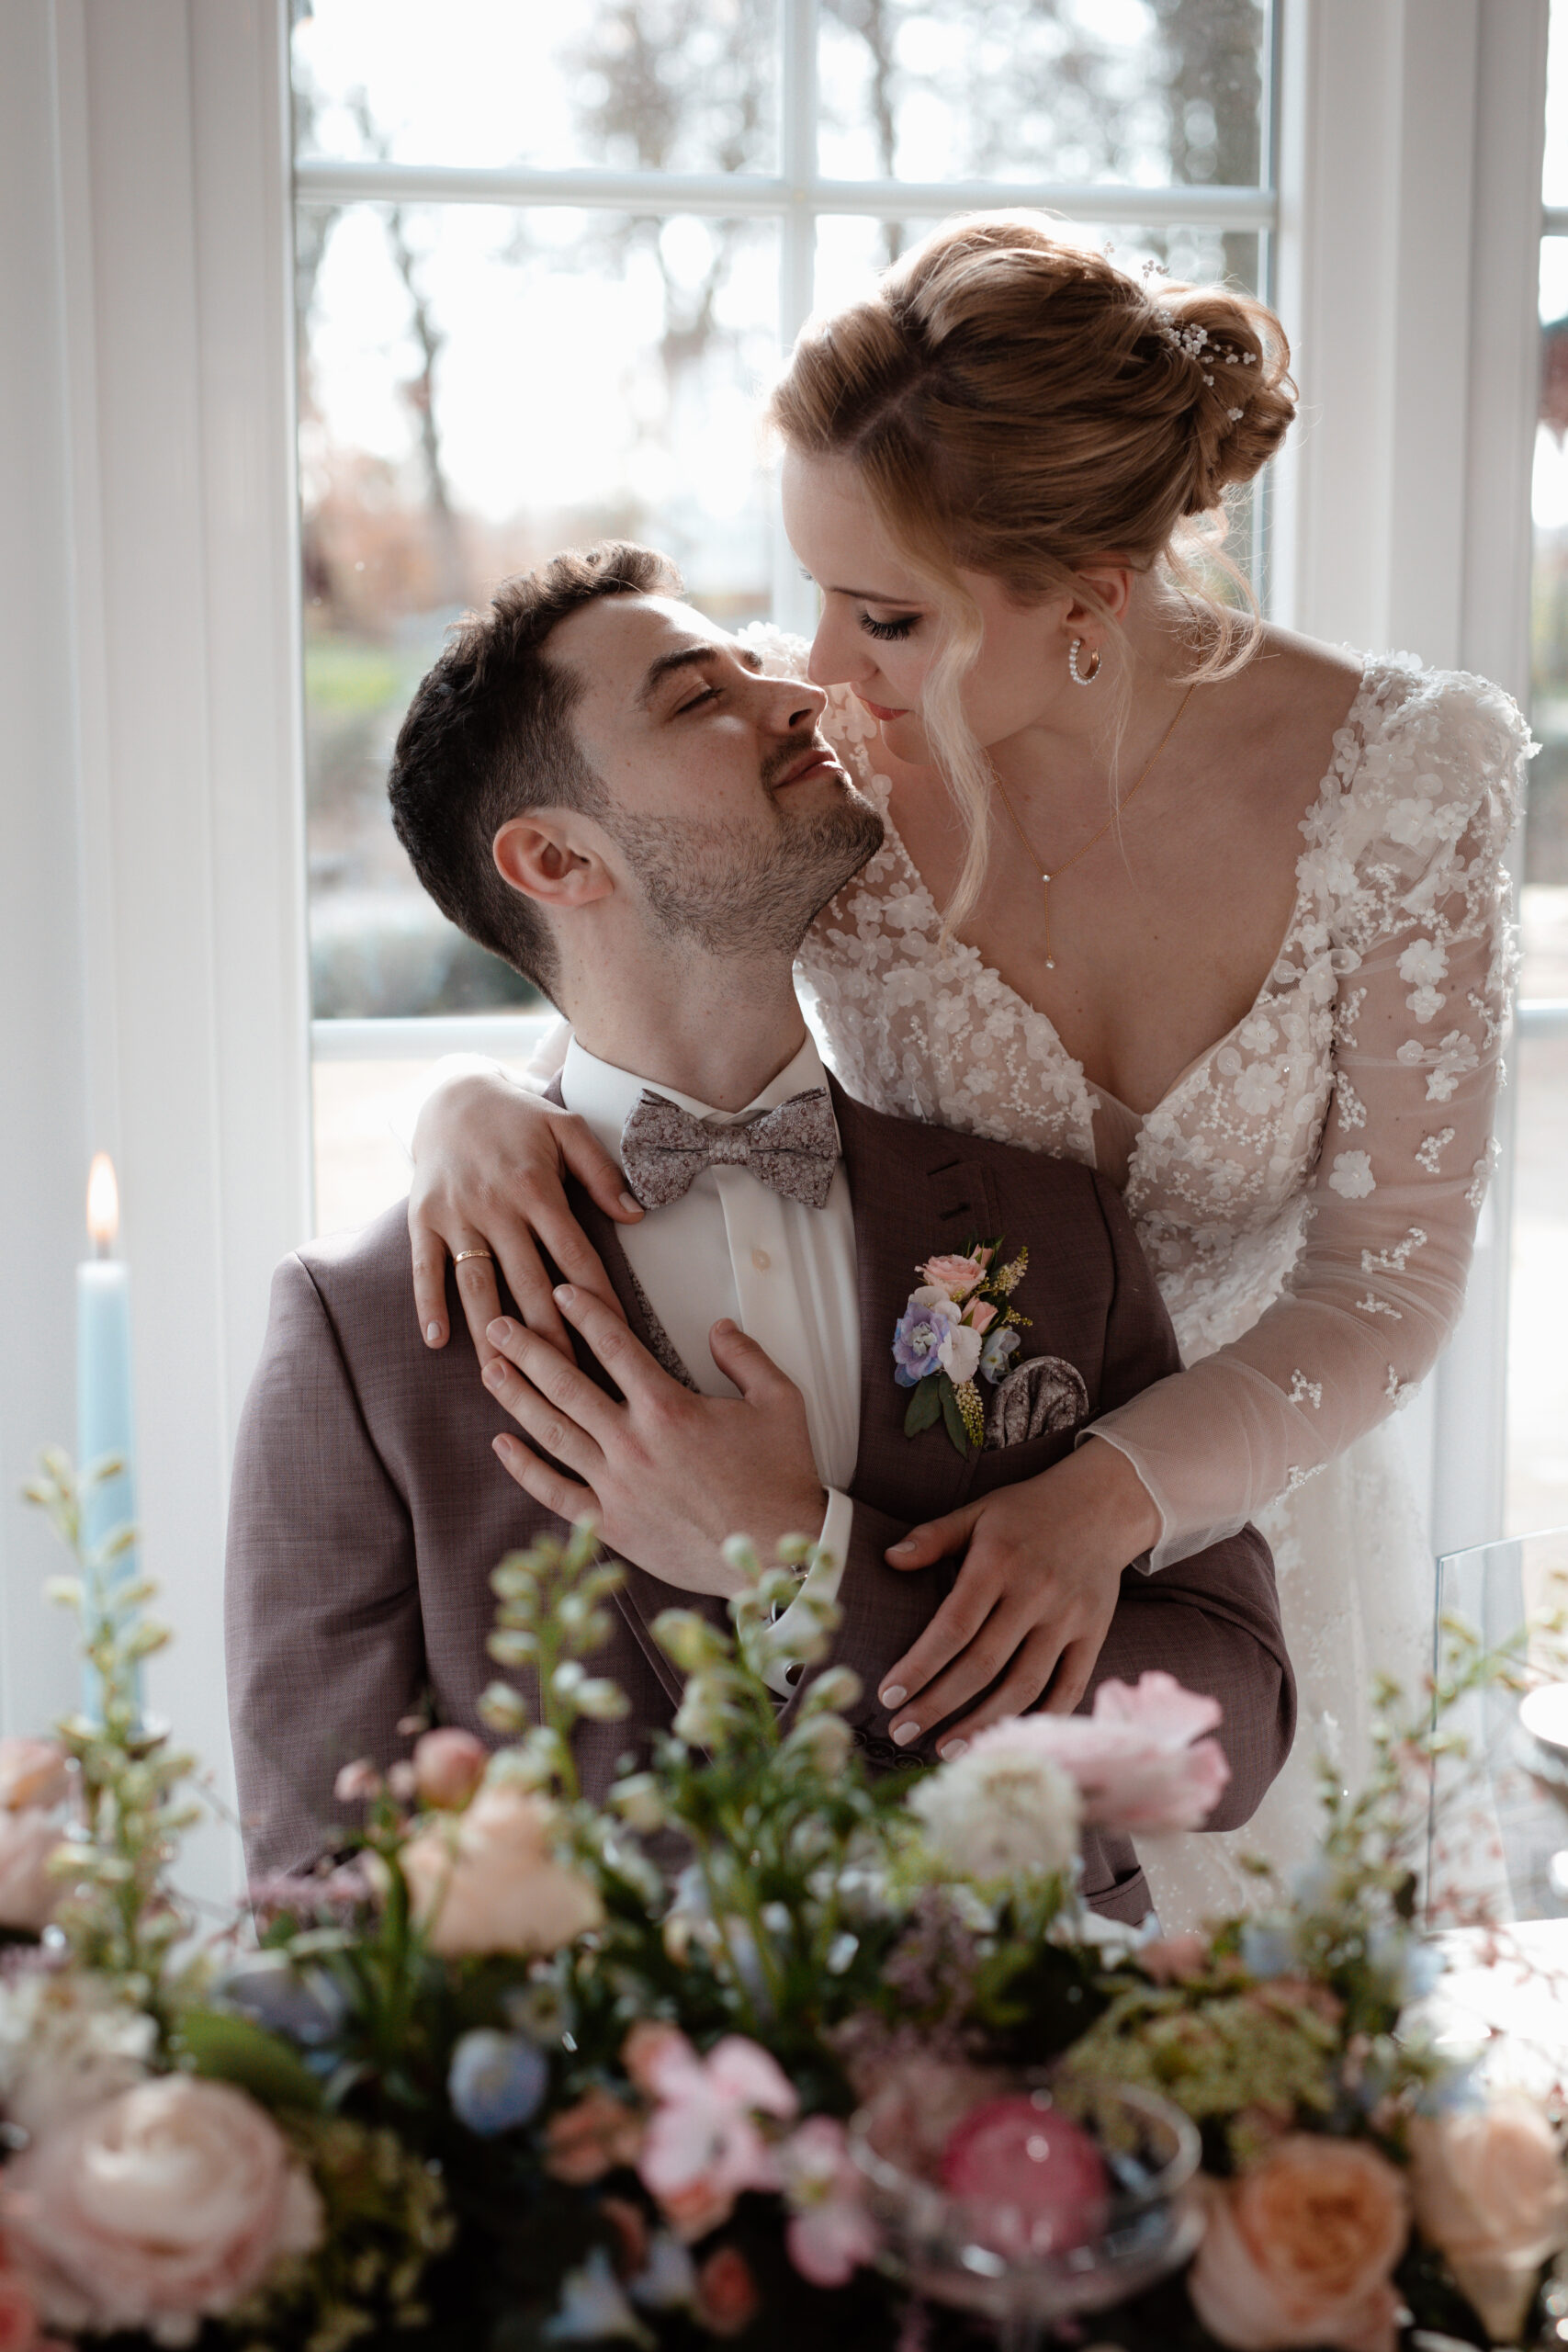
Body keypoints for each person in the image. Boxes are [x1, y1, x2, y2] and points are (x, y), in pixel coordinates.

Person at [399, 218, 1529, 1930]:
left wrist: (1111, 1500)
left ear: (1088, 595)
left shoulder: (1406, 781)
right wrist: (474, 1104)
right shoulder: (849, 784)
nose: (820, 673)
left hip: (1238, 1535)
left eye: (887, 614)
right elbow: (658, 969)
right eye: (813, 596)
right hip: (900, 1518)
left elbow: (1391, 1276)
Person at [224, 544, 1293, 1912]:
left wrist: (810, 1561)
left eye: (752, 662)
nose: (795, 695)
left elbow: (1239, 1724)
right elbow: (321, 1885)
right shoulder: (369, 1334)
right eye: (695, 697)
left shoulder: (1051, 1226)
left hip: (1032, 2084)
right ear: (555, 855)